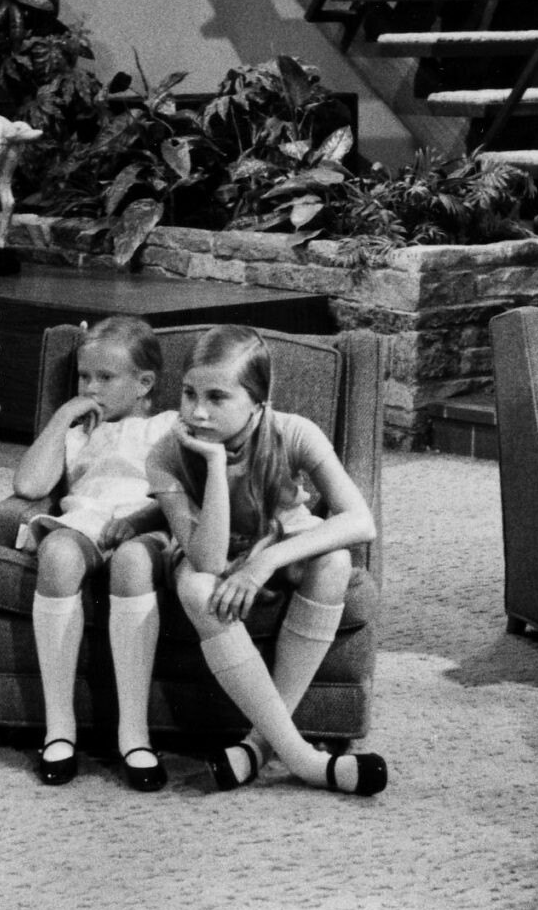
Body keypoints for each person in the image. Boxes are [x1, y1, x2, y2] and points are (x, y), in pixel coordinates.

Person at [150, 325, 387, 797]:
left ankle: (259, 745)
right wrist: (215, 466)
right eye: (189, 393)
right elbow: (210, 561)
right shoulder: (167, 452)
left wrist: (264, 563)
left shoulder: (293, 431)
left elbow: (360, 520)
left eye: (218, 397)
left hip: (280, 545)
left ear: (257, 402)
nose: (197, 411)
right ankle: (303, 759)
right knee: (197, 587)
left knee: (335, 562)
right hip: (212, 552)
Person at [12, 316, 178, 792]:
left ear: (144, 383)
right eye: (84, 376)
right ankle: (59, 728)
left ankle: (134, 733)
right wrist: (63, 417)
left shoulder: (167, 426)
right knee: (59, 555)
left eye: (106, 378)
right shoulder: (78, 432)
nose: (91, 387)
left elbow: (184, 488)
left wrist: (145, 522)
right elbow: (28, 485)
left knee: (132, 563)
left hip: (144, 523)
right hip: (85, 521)